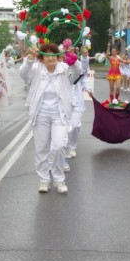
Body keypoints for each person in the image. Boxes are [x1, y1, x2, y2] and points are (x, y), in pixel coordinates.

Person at [19, 43, 82, 194]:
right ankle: (44, 180)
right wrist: (29, 59)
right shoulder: (36, 69)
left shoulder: (64, 69)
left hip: (59, 114)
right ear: (41, 58)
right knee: (42, 148)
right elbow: (23, 74)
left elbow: (77, 73)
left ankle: (59, 179)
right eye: (46, 55)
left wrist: (74, 60)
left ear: (57, 56)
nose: (50, 58)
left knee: (59, 146)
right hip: (40, 114)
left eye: (52, 54)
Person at [67, 47, 93, 159]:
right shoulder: (61, 65)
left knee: (75, 126)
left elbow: (83, 78)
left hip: (77, 100)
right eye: (67, 50)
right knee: (65, 126)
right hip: (64, 100)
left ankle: (72, 146)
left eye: (72, 50)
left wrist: (89, 89)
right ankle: (65, 147)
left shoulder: (78, 65)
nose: (70, 52)